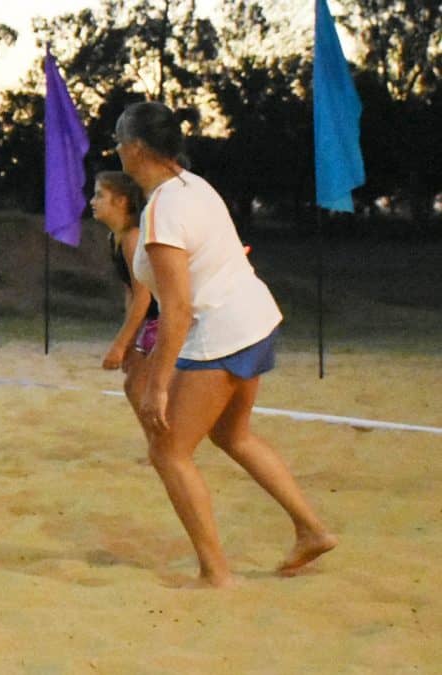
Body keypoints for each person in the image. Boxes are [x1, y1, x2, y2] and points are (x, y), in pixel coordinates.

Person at [114, 101, 336, 587]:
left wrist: (159, 385)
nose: (116, 152)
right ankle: (311, 529)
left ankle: (216, 573)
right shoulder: (195, 187)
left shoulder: (163, 211)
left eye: (118, 143)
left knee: (168, 453)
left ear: (135, 149)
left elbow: (177, 307)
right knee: (232, 436)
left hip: (223, 332)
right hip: (254, 319)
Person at [92, 171, 159, 438]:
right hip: (154, 321)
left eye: (99, 195)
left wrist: (120, 345)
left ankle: (162, 444)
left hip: (168, 319)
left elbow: (144, 296)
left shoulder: (133, 238)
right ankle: (158, 443)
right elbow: (131, 293)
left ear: (121, 201)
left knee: (140, 385)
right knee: (136, 385)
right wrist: (129, 338)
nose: (92, 201)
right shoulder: (116, 239)